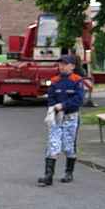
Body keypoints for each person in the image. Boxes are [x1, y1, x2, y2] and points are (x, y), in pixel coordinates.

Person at [38, 54, 84, 187]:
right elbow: (50, 98)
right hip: (56, 118)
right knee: (53, 144)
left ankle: (69, 173)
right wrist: (53, 108)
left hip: (71, 117)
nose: (61, 66)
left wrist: (63, 106)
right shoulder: (54, 81)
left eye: (65, 64)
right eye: (60, 64)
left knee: (68, 146)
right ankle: (48, 176)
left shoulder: (77, 81)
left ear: (72, 66)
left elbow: (79, 100)